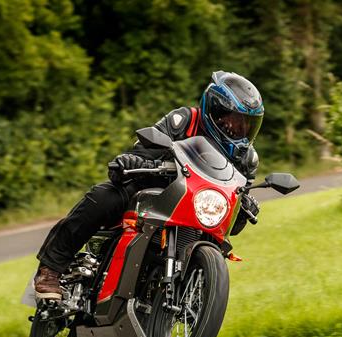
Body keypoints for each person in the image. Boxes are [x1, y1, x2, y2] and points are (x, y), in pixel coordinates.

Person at [34, 71, 264, 299]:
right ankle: (51, 269)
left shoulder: (247, 159)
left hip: (198, 210)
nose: (240, 130)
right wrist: (135, 159)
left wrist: (244, 208)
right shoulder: (185, 120)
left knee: (217, 248)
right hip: (157, 189)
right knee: (104, 197)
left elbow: (232, 225)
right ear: (216, 111)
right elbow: (144, 148)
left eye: (247, 125)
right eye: (234, 120)